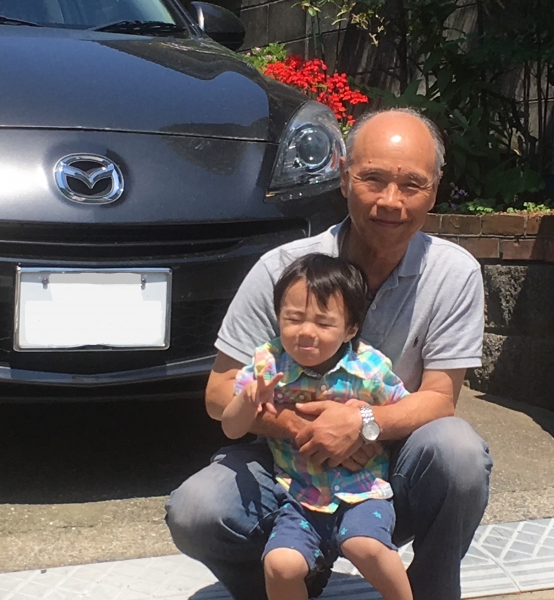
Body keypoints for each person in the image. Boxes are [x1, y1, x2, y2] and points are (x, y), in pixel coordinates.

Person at [165, 107, 494, 600]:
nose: (391, 201)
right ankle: (295, 579)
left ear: (435, 190)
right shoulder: (282, 269)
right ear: (343, 177)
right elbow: (218, 393)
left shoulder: (454, 273)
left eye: (412, 184)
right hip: (286, 468)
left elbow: (440, 399)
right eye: (373, 179)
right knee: (196, 510)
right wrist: (304, 430)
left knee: (458, 453)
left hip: (388, 469)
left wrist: (362, 424)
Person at [222, 253, 412, 600]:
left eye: (323, 324)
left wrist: (369, 420)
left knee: (364, 545)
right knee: (280, 565)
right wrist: (248, 400)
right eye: (293, 318)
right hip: (298, 499)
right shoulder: (268, 365)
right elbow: (231, 429)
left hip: (362, 491)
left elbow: (405, 411)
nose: (306, 332)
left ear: (350, 329)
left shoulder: (369, 368)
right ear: (278, 317)